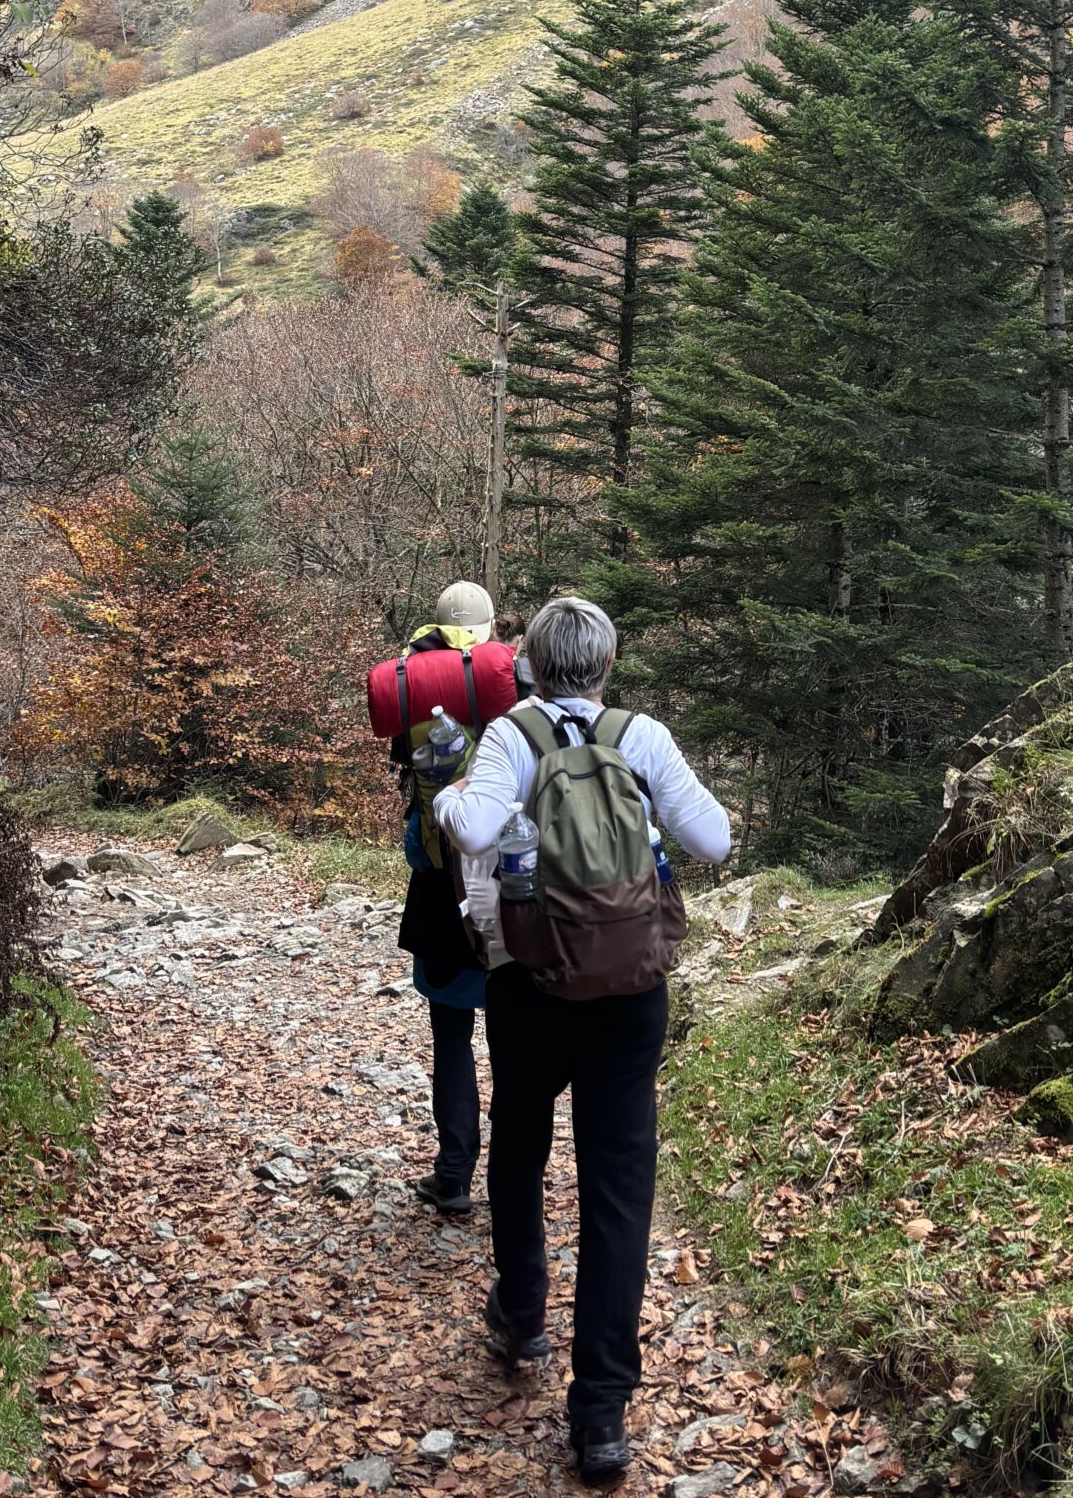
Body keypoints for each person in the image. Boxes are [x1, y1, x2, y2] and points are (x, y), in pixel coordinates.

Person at [435, 595, 730, 1483]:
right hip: (631, 990)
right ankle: (600, 1412)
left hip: (530, 982)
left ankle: (522, 1312)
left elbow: (477, 829)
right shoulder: (642, 736)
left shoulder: (510, 737)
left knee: (520, 1142)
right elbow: (713, 840)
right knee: (616, 1189)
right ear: (606, 664)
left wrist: (454, 797)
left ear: (526, 662)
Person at [398, 578, 499, 1216]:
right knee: (514, 1044)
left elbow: (415, 845)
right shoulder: (512, 692)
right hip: (511, 895)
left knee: (451, 1040)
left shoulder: (417, 701)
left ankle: (455, 1174)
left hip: (441, 899)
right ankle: (517, 1176)